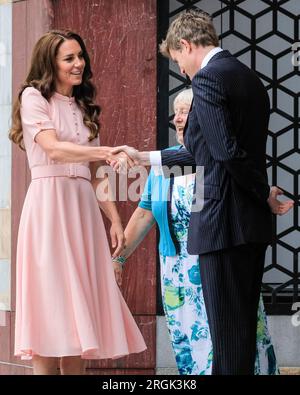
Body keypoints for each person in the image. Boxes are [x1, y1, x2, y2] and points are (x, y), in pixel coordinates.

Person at [111, 10, 294, 375]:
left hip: (222, 225)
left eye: (179, 60)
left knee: (225, 342)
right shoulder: (248, 78)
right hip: (250, 226)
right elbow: (208, 151)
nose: (181, 70)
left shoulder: (208, 80)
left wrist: (262, 192)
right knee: (240, 338)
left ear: (185, 44)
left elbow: (223, 152)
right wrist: (143, 156)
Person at [9, 29, 146, 375]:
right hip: (48, 209)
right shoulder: (33, 98)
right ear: (50, 63)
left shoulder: (83, 106)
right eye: (69, 58)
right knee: (49, 310)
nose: (78, 64)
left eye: (80, 56)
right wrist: (103, 150)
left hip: (82, 211)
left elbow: (97, 173)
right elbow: (53, 148)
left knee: (76, 319)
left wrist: (114, 220)